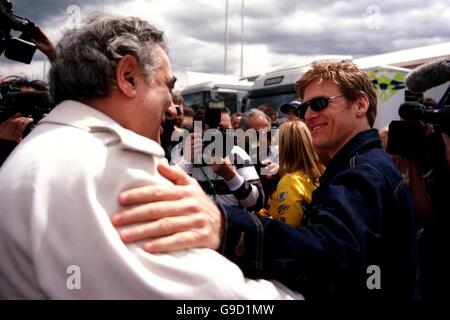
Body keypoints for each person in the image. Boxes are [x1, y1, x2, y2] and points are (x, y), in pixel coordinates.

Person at [0, 15, 302, 299]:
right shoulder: (109, 165)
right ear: (128, 76)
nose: (172, 105)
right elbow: (211, 296)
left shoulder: (39, 147)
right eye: (167, 86)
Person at [112, 61, 418, 300]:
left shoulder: (363, 171)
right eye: (303, 107)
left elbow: (328, 256)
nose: (308, 114)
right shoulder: (357, 165)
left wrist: (224, 225)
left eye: (320, 104)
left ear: (361, 104)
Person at [172, 107, 265, 212]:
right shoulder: (181, 154)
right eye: (215, 127)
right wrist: (186, 161)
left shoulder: (237, 154)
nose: (219, 133)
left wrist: (232, 177)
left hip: (231, 224)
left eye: (224, 128)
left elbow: (257, 203)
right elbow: (169, 197)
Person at [264, 121, 324, 227]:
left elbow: (289, 231)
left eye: (275, 145)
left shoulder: (289, 182)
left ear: (284, 148)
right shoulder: (321, 171)